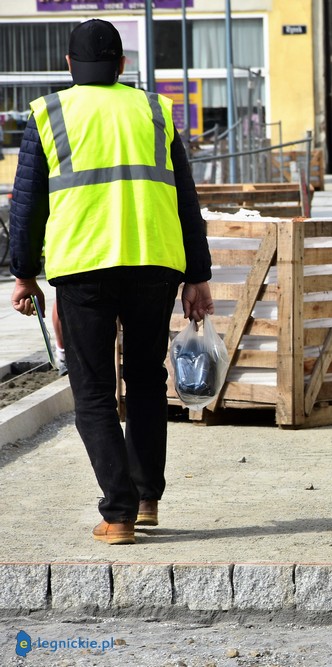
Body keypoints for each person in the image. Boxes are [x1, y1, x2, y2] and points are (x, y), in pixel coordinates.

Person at [8, 19, 214, 545]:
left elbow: (28, 204)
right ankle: (146, 500)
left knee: (94, 391)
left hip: (83, 267)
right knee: (146, 381)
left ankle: (118, 514)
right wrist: (198, 276)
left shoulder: (49, 113)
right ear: (123, 66)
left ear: (70, 66)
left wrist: (24, 274)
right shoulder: (154, 110)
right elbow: (186, 201)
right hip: (154, 263)